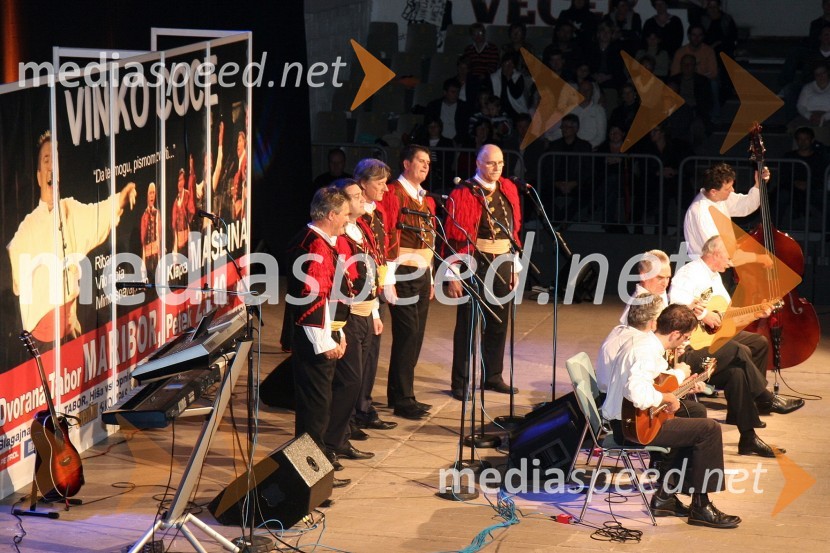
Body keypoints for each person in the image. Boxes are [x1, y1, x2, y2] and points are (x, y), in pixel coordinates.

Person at [602, 304, 742, 528]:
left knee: (695, 413)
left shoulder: (645, 341)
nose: (684, 342)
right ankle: (701, 505)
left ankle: (665, 496)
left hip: (628, 418)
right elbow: (636, 393)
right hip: (631, 427)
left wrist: (683, 386)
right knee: (709, 429)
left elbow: (655, 383)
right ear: (675, 333)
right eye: (685, 337)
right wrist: (667, 399)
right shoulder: (646, 352)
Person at [669, 236, 804, 458]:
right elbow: (675, 301)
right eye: (728, 256)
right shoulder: (690, 273)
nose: (731, 262)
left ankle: (747, 435)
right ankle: (764, 398)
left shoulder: (715, 278)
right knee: (738, 350)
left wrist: (754, 313)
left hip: (712, 339)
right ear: (714, 254)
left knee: (745, 360)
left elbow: (725, 318)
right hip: (689, 348)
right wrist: (704, 314)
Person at [8, 131, 137, 343]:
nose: (51, 167)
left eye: (55, 161)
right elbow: (12, 271)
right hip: (43, 341)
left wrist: (119, 199)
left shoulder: (70, 210)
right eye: (46, 160)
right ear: (39, 175)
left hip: (70, 332)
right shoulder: (27, 228)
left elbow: (98, 214)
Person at [444, 145, 523, 400]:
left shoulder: (508, 189)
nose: (497, 168)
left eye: (500, 163)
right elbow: (455, 236)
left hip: (503, 261)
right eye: (491, 163)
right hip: (473, 261)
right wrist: (453, 272)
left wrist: (515, 267)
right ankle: (461, 381)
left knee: (499, 322)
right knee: (468, 323)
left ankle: (492, 376)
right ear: (478, 163)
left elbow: (513, 232)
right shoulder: (464, 192)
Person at [286, 186, 351, 488]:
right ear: (331, 215)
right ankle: (308, 479)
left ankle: (313, 475)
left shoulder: (323, 242)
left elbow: (332, 297)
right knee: (313, 414)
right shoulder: (314, 247)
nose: (348, 221)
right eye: (345, 215)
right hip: (314, 342)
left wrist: (338, 333)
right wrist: (325, 342)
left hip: (325, 336)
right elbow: (311, 300)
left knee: (318, 411)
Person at [378, 145, 436, 420]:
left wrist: (432, 276)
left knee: (417, 335)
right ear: (405, 163)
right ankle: (402, 398)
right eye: (420, 161)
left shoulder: (427, 199)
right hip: (401, 272)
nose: (425, 165)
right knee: (407, 334)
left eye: (428, 162)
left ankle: (403, 394)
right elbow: (389, 236)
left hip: (422, 272)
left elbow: (431, 241)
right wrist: (388, 279)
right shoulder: (393, 194)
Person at [324, 179, 378, 465]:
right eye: (356, 196)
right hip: (348, 315)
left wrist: (376, 311)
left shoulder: (361, 229)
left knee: (355, 381)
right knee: (348, 380)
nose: (362, 199)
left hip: (365, 310)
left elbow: (372, 268)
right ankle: (333, 441)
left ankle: (340, 438)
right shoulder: (340, 238)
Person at [351, 159, 398, 433]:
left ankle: (363, 407)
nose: (385, 189)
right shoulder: (355, 217)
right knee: (358, 358)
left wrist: (385, 283)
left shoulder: (376, 213)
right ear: (362, 183)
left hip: (374, 289)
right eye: (379, 183)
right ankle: (354, 412)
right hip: (358, 292)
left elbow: (383, 250)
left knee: (371, 354)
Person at [683, 161, 771, 263]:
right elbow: (718, 251)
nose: (732, 190)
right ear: (713, 192)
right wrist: (757, 258)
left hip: (719, 264)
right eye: (728, 189)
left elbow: (746, 205)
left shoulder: (718, 197)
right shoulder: (700, 212)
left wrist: (758, 185)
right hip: (706, 268)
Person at [140, 182, 161, 284]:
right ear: (147, 196)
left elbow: (159, 236)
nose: (152, 195)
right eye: (150, 193)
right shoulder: (144, 216)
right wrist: (143, 263)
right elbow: (143, 242)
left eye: (153, 193)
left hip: (156, 255)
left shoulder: (157, 213)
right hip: (148, 257)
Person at [171, 168, 195, 253]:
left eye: (181, 180)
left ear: (184, 181)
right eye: (178, 181)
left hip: (188, 240)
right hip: (179, 243)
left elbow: (191, 213)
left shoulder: (188, 195)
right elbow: (174, 227)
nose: (180, 183)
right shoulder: (175, 202)